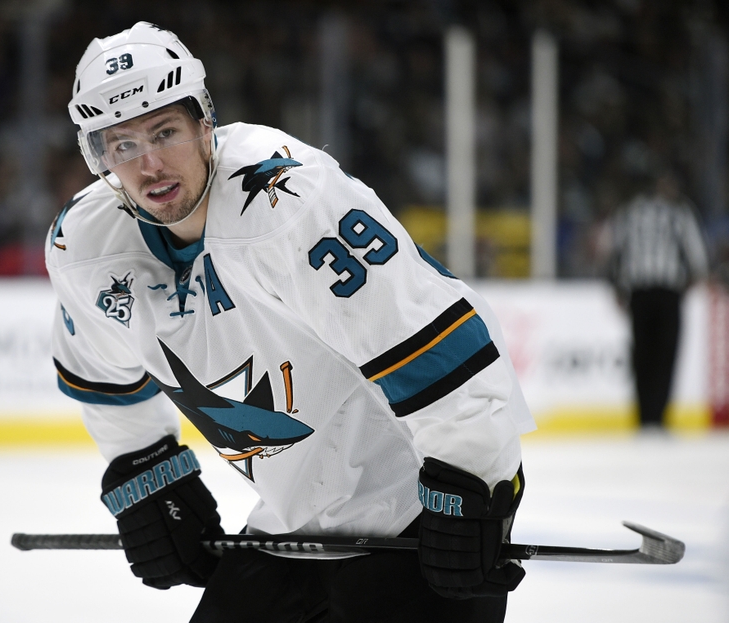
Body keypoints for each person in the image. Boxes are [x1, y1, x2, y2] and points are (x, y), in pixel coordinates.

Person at [46, 22, 536, 622]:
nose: (150, 164)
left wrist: (474, 483)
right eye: (122, 145)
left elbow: (429, 339)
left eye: (165, 132)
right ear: (98, 157)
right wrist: (147, 472)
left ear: (205, 122)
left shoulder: (285, 199)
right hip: (289, 525)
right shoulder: (86, 246)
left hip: (415, 508)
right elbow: (103, 378)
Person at [607, 169, 709, 430]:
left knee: (643, 354)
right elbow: (697, 260)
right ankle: (657, 416)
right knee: (664, 354)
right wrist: (683, 288)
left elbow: (613, 254)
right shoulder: (679, 213)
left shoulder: (630, 212)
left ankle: (646, 416)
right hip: (667, 293)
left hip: (640, 292)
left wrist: (617, 288)